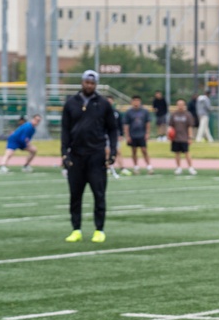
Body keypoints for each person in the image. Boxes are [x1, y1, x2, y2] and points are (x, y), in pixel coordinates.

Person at [61, 70, 118, 243]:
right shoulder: (71, 103)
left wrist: (112, 152)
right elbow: (65, 130)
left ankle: (99, 230)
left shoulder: (103, 104)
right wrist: (64, 153)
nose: (89, 85)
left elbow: (112, 129)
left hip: (96, 155)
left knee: (99, 194)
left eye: (92, 83)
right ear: (82, 82)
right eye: (87, 82)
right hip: (76, 155)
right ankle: (76, 229)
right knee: (75, 195)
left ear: (96, 85)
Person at [123, 95, 153, 174]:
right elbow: (126, 125)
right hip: (133, 134)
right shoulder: (129, 112)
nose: (136, 102)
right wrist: (127, 136)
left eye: (138, 101)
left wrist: (147, 133)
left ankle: (149, 167)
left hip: (142, 134)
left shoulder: (144, 111)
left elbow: (148, 123)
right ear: (132, 102)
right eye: (135, 100)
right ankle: (136, 167)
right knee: (134, 151)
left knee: (144, 150)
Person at [168, 99, 197, 175]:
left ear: (184, 105)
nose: (180, 106)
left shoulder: (188, 115)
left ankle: (190, 168)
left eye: (182, 105)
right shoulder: (174, 114)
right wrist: (169, 135)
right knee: (177, 153)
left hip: (184, 138)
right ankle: (178, 168)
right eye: (179, 105)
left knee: (187, 153)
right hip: (176, 138)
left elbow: (190, 127)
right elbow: (170, 126)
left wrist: (190, 137)